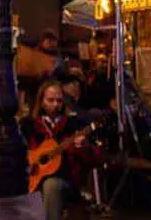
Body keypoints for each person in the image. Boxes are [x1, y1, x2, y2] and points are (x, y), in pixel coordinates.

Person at [22, 80, 103, 220]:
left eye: (59, 101)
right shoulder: (29, 125)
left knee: (51, 186)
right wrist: (27, 165)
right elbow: (19, 154)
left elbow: (96, 159)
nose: (55, 105)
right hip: (33, 181)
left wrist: (83, 147)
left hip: (66, 182)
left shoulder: (74, 125)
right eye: (50, 100)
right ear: (41, 101)